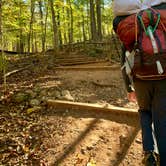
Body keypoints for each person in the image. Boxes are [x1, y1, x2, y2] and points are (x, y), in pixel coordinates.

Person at [113, 1, 166, 166]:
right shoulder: (161, 21)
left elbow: (124, 60)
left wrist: (128, 87)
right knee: (161, 119)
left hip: (140, 79)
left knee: (144, 112)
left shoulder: (131, 25)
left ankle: (149, 151)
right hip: (163, 77)